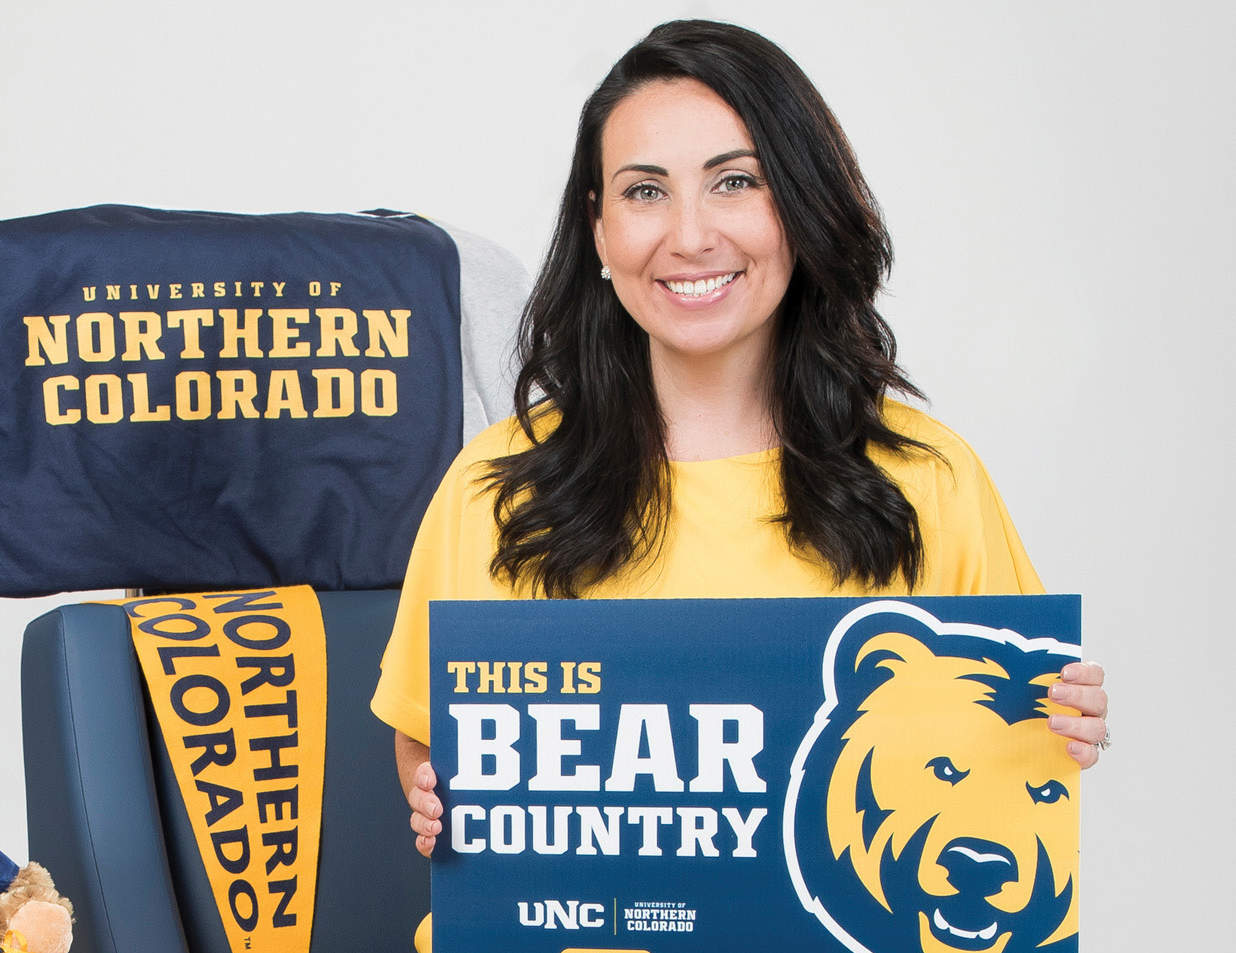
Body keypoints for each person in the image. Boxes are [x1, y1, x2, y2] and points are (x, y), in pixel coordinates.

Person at [366, 19, 1109, 949]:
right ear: (599, 226)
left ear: (797, 203)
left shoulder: (928, 481)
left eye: (735, 181)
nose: (689, 235)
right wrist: (442, 798)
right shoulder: (494, 487)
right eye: (645, 192)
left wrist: (1061, 729)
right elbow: (424, 733)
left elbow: (1008, 752)